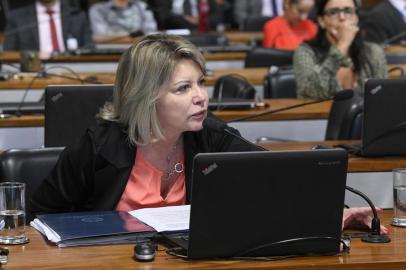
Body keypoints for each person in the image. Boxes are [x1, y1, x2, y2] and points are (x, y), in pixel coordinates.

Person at [30, 34, 387, 235]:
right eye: (183, 88)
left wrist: (333, 212)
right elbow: (39, 217)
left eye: (201, 83)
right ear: (146, 96)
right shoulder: (98, 146)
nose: (201, 97)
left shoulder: (207, 135)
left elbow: (279, 175)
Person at [293, 0, 387, 99]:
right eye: (333, 12)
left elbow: (383, 95)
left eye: (348, 11)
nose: (342, 17)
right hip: (323, 114)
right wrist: (342, 45)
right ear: (322, 21)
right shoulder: (305, 52)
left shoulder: (373, 51)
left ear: (356, 18)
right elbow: (312, 93)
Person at [3, 0, 93, 53]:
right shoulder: (17, 17)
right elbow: (8, 52)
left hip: (74, 69)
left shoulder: (76, 15)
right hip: (33, 72)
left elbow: (90, 48)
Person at [89, 0, 157, 37]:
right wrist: (132, 35)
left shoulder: (141, 6)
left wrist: (114, 37)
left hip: (141, 49)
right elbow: (100, 37)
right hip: (110, 51)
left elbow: (151, 33)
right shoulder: (98, 9)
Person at [147, 0, 227, 31]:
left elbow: (218, 16)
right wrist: (186, 19)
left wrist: (202, 20)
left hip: (203, 34)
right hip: (175, 35)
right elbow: (163, 17)